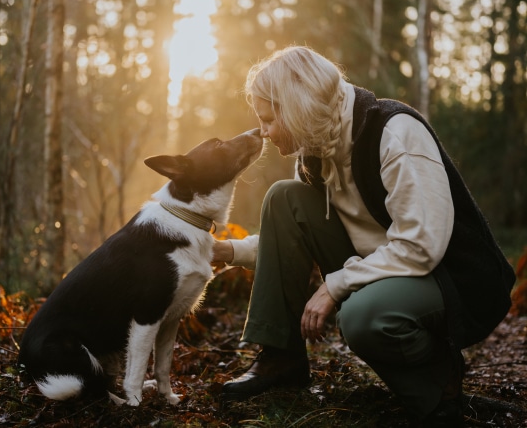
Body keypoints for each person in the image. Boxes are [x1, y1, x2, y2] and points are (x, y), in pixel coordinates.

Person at [212, 46, 515, 426]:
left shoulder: (395, 132)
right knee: (283, 199)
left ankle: (439, 391)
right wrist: (226, 250)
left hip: (450, 278)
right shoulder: (314, 148)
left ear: (297, 107)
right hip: (381, 265)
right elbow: (287, 245)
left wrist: (336, 285)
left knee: (362, 317)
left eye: (269, 120)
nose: (264, 132)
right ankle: (280, 357)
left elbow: (421, 246)